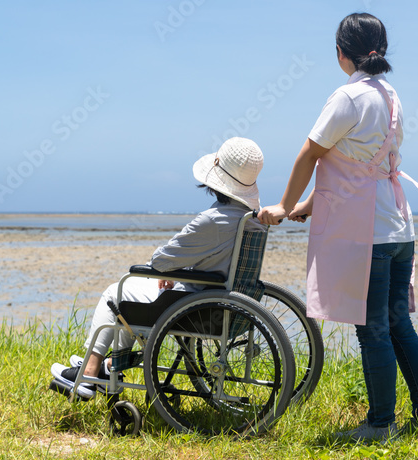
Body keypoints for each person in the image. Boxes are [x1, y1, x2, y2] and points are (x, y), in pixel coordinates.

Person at [258, 13, 418, 443]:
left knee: (372, 329)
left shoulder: (348, 97)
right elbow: (362, 170)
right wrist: (306, 207)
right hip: (399, 229)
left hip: (368, 233)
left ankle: (380, 425)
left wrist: (283, 205)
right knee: (398, 326)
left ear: (342, 52)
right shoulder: (390, 95)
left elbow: (310, 155)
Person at [49, 137, 266, 399]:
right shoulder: (253, 218)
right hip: (230, 303)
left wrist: (168, 271)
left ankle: (89, 372)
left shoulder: (214, 219)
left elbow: (162, 260)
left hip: (198, 306)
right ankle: (108, 367)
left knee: (116, 292)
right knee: (132, 297)